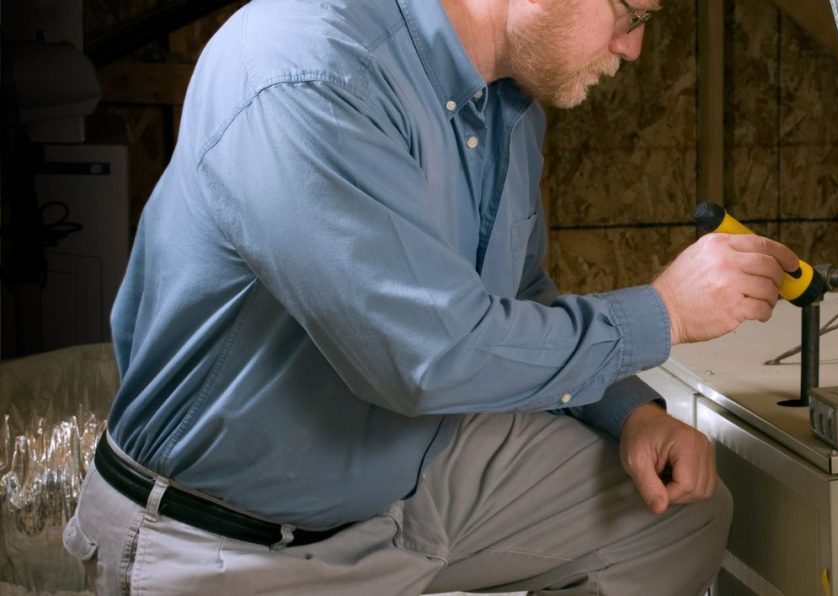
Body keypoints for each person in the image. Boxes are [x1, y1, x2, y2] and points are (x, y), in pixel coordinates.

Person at [62, 0, 799, 592]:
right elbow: (426, 360)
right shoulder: (306, 70)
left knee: (677, 519)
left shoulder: (506, 105)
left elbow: (514, 297)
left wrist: (627, 410)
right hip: (230, 543)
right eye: (631, 14)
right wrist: (665, 312)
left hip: (406, 481)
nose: (633, 48)